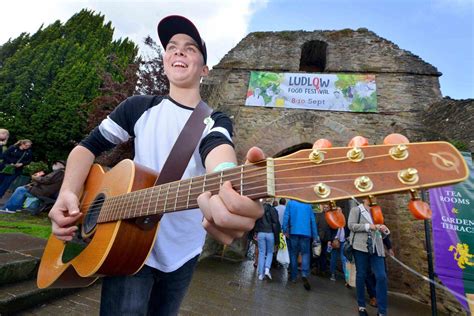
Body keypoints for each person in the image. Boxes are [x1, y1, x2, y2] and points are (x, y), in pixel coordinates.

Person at [48, 15, 264, 315]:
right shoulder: (139, 107)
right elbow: (87, 148)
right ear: (164, 61)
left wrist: (227, 182)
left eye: (190, 48)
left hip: (181, 253)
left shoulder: (214, 120)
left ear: (204, 69)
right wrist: (68, 192)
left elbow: (218, 153)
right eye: (172, 46)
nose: (178, 50)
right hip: (124, 243)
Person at [348, 198, 390, 316]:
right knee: (361, 274)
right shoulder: (356, 210)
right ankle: (361, 306)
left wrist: (385, 230)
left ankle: (382, 311)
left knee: (381, 276)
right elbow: (351, 226)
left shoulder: (377, 211)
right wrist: (369, 226)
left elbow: (381, 230)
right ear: (365, 197)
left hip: (377, 247)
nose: (374, 197)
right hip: (360, 246)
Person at [0, 160, 65, 214]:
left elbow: (45, 180)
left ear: (59, 165)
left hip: (42, 192)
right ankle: (17, 208)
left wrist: (35, 177)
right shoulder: (61, 173)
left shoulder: (59, 172)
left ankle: (10, 208)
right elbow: (48, 181)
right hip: (44, 191)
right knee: (23, 188)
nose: (53, 165)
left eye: (55, 164)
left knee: (20, 190)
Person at [283, 199, 318, 291]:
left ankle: (294, 276)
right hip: (306, 233)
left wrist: (284, 230)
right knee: (305, 253)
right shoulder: (308, 204)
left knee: (293, 254)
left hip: (293, 232)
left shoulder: (290, 203)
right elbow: (312, 220)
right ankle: (304, 274)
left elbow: (286, 217)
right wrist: (315, 235)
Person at [254, 202, 280, 280]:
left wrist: (255, 232)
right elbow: (276, 224)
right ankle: (267, 269)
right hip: (270, 233)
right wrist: (277, 237)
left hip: (261, 233)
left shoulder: (259, 210)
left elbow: (255, 222)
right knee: (270, 252)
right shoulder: (273, 210)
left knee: (261, 253)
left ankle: (260, 274)